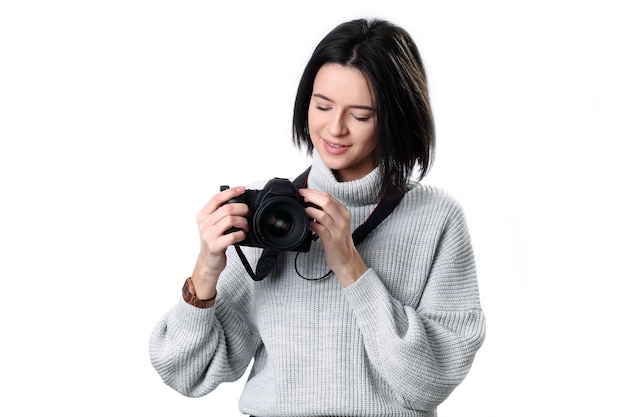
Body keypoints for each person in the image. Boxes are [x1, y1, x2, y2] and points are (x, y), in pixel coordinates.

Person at [149, 18, 486, 417]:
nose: (334, 128)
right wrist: (205, 270)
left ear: (396, 117)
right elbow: (187, 373)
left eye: (360, 115)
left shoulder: (436, 219)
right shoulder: (267, 213)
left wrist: (351, 267)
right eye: (322, 105)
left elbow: (430, 380)